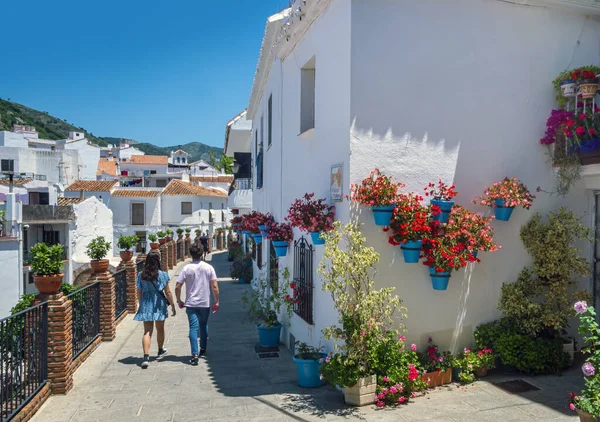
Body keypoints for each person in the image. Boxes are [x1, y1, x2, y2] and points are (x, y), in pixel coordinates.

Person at [175, 243, 219, 365]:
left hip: (191, 304)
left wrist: (179, 300)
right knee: (203, 325)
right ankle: (203, 348)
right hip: (204, 303)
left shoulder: (186, 268)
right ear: (201, 253)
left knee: (193, 328)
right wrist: (216, 301)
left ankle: (194, 354)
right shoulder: (209, 267)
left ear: (191, 254)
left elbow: (178, 286)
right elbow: (214, 286)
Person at [134, 250, 176, 369]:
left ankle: (146, 357)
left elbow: (139, 292)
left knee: (147, 331)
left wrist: (140, 303)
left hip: (146, 303)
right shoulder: (162, 275)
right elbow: (168, 292)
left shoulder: (141, 275)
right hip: (159, 304)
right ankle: (160, 349)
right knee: (160, 328)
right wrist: (172, 305)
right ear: (158, 261)